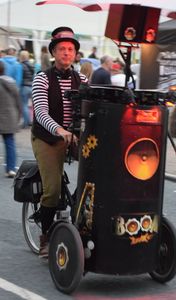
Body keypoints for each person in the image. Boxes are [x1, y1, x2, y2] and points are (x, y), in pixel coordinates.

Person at [31, 26, 88, 258]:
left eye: (70, 49)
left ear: (75, 54)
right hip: (47, 138)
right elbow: (41, 113)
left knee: (99, 172)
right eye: (62, 49)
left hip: (73, 136)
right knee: (52, 190)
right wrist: (60, 130)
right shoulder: (41, 78)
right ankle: (45, 236)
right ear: (54, 52)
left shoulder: (82, 79)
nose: (66, 52)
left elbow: (89, 110)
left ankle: (80, 211)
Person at [0, 61, 21, 178]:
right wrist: (18, 115)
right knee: (10, 143)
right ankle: (11, 168)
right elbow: (18, 102)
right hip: (10, 117)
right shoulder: (11, 82)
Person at [19, 50, 34, 128]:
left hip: (24, 87)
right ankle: (33, 121)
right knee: (33, 106)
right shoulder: (31, 64)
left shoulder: (20, 65)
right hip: (31, 86)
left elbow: (20, 77)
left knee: (24, 105)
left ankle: (26, 123)